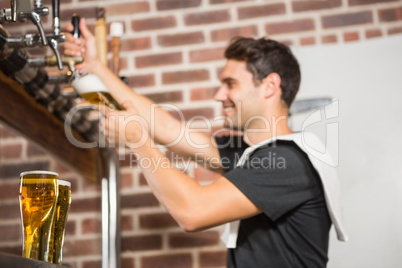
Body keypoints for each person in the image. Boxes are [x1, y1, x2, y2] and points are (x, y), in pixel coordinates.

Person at [64, 18, 347, 268]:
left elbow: (193, 212)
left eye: (230, 83)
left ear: (270, 86)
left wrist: (137, 140)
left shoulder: (288, 161)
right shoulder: (253, 156)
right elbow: (164, 126)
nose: (218, 94)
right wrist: (97, 66)